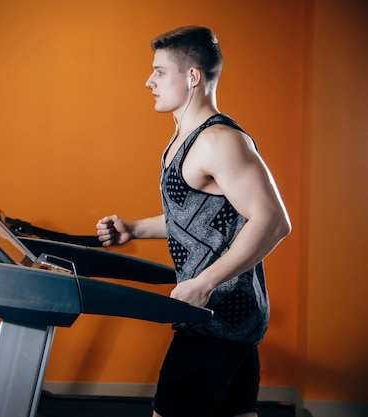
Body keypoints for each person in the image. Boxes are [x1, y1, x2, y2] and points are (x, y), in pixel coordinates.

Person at [96, 26, 291, 417]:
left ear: (192, 77)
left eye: (159, 72)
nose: (148, 81)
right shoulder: (185, 139)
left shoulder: (219, 141)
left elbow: (273, 221)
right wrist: (134, 229)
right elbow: (196, 222)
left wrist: (204, 282)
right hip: (225, 309)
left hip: (218, 311)